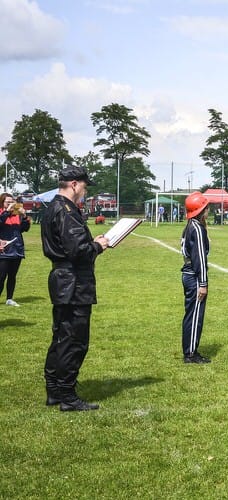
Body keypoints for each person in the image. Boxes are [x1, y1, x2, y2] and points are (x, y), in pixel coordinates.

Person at [42, 165, 109, 411]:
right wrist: (98, 245)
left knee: (60, 337)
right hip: (73, 282)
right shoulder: (67, 210)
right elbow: (78, 251)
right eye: (83, 186)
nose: (84, 191)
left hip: (62, 279)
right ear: (74, 184)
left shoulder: (52, 208)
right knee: (75, 340)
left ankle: (54, 390)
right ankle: (68, 396)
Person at [181, 191, 211, 363]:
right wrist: (203, 283)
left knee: (191, 314)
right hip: (194, 276)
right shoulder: (197, 229)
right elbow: (200, 257)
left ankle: (189, 350)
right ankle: (191, 353)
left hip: (188, 274)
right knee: (195, 316)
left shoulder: (190, 226)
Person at [0, 193, 31, 306]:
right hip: (4, 250)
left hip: (16, 248)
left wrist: (24, 216)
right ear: (2, 202)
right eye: (7, 202)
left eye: (12, 201)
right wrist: (7, 211)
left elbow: (24, 229)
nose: (10, 204)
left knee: (12, 275)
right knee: (1, 276)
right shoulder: (2, 214)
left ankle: (9, 298)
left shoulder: (16, 215)